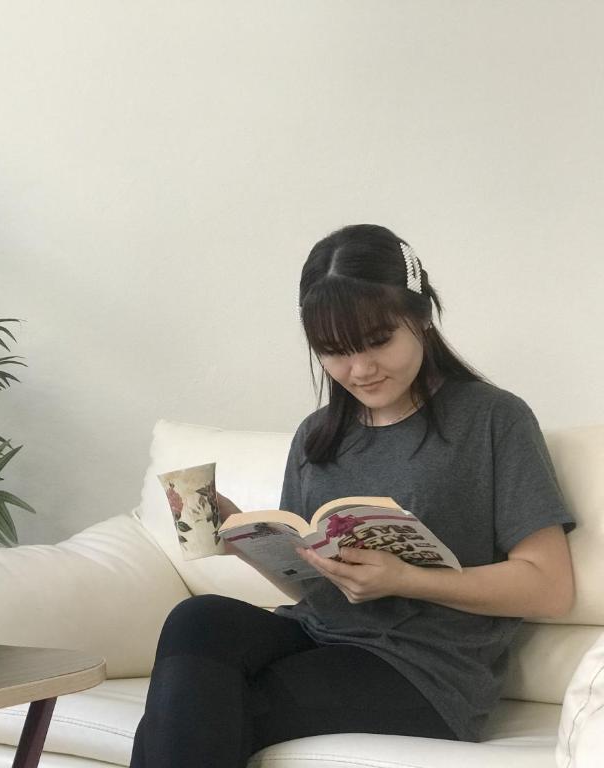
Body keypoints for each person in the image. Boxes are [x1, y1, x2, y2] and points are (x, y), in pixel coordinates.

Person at [129, 223, 576, 768]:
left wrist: (405, 579)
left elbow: (550, 588)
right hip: (317, 633)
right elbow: (314, 585)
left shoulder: (493, 419)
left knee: (192, 710)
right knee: (197, 619)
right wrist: (245, 537)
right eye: (335, 351)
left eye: (378, 341)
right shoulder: (316, 435)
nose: (360, 370)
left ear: (421, 316)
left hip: (424, 671)